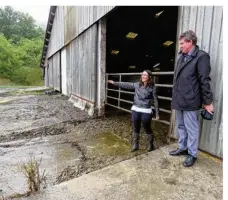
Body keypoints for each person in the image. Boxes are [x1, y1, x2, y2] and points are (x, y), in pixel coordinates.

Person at [169, 30, 214, 167]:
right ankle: (182, 148)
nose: (180, 46)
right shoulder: (181, 57)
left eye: (182, 43)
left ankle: (192, 154)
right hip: (179, 99)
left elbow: (204, 80)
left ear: (190, 42)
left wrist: (208, 102)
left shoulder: (201, 57)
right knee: (181, 126)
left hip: (191, 100)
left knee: (191, 128)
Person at [108, 70, 159, 152]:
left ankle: (150, 144)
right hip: (135, 109)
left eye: (145, 75)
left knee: (147, 127)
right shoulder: (137, 85)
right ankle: (135, 145)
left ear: (149, 77)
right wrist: (115, 83)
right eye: (142, 75)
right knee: (136, 127)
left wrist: (157, 113)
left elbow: (156, 101)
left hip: (146, 110)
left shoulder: (152, 88)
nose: (143, 76)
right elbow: (126, 85)